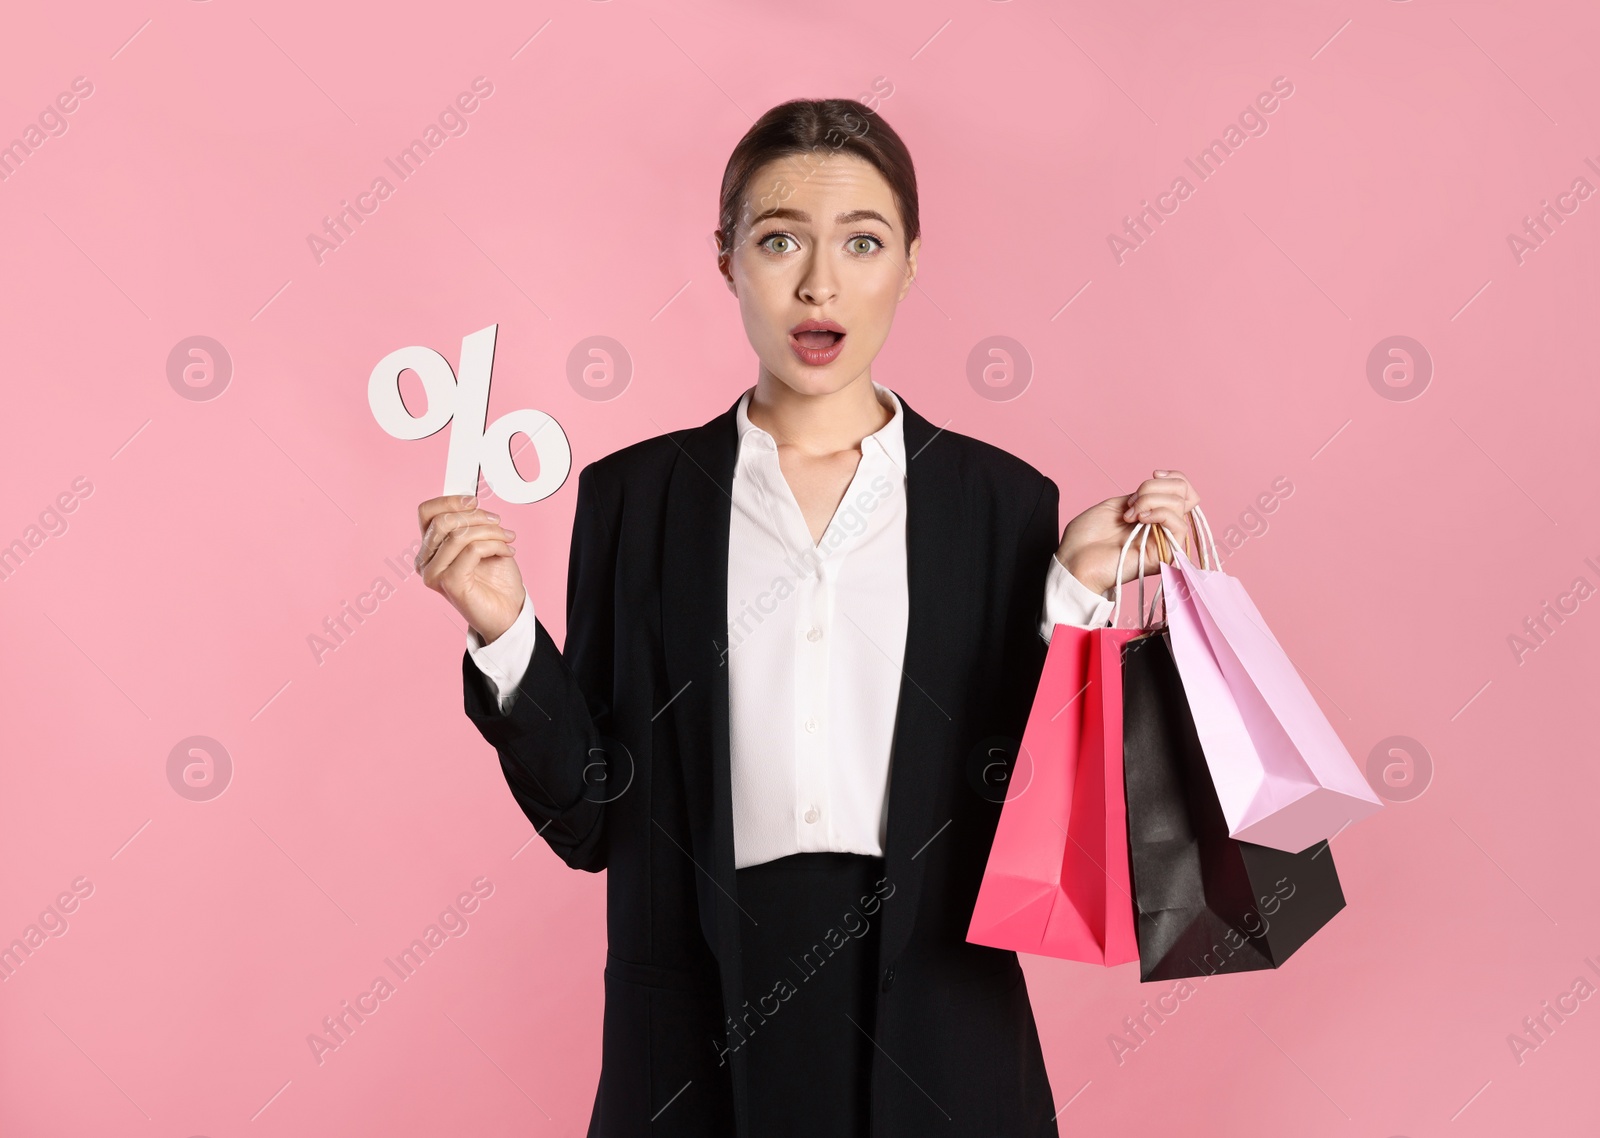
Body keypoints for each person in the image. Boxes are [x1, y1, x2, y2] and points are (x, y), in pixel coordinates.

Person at [416, 98, 1201, 1137]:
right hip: (694, 1032)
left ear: (910, 262)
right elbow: (595, 818)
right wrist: (507, 634)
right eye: (780, 238)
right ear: (726, 257)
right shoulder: (636, 500)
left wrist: (1071, 606)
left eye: (862, 243)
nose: (819, 283)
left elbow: (1024, 820)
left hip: (941, 1026)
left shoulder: (1000, 504)